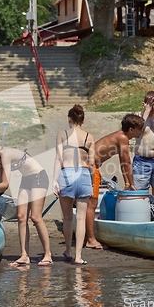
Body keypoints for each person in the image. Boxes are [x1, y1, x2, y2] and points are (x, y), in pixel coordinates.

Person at [0, 139, 53, 267]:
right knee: (21, 216)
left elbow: (5, 184)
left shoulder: (5, 155)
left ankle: (47, 255)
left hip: (38, 177)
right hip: (26, 180)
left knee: (35, 217)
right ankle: (24, 255)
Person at [85, 114, 145, 249]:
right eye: (140, 129)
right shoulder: (123, 138)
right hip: (89, 166)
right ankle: (90, 240)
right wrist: (133, 184)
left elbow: (123, 163)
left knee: (89, 203)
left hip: (89, 165)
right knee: (91, 205)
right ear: (131, 129)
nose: (142, 131)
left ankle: (89, 236)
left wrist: (128, 184)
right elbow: (128, 162)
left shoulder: (119, 136)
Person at [53, 104, 95, 265]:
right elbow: (91, 164)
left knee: (68, 218)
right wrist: (90, 181)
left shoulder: (62, 134)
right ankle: (78, 256)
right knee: (81, 218)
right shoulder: (89, 137)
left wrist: (54, 181)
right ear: (82, 120)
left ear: (69, 119)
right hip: (83, 174)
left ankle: (69, 252)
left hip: (67, 174)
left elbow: (58, 158)